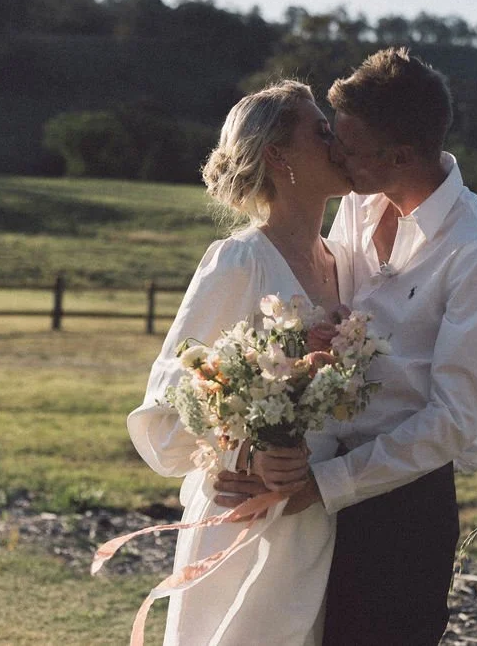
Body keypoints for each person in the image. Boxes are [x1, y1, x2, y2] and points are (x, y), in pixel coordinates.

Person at [215, 47, 477, 645]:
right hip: (310, 481)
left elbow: (453, 421)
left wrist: (326, 486)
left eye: (350, 147)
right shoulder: (358, 205)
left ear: (401, 156)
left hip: (401, 506)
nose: (335, 153)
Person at [126, 80, 352, 645]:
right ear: (278, 156)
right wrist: (242, 455)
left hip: (318, 518)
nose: (339, 143)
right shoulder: (239, 261)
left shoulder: (345, 263)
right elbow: (167, 408)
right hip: (244, 520)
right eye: (322, 132)